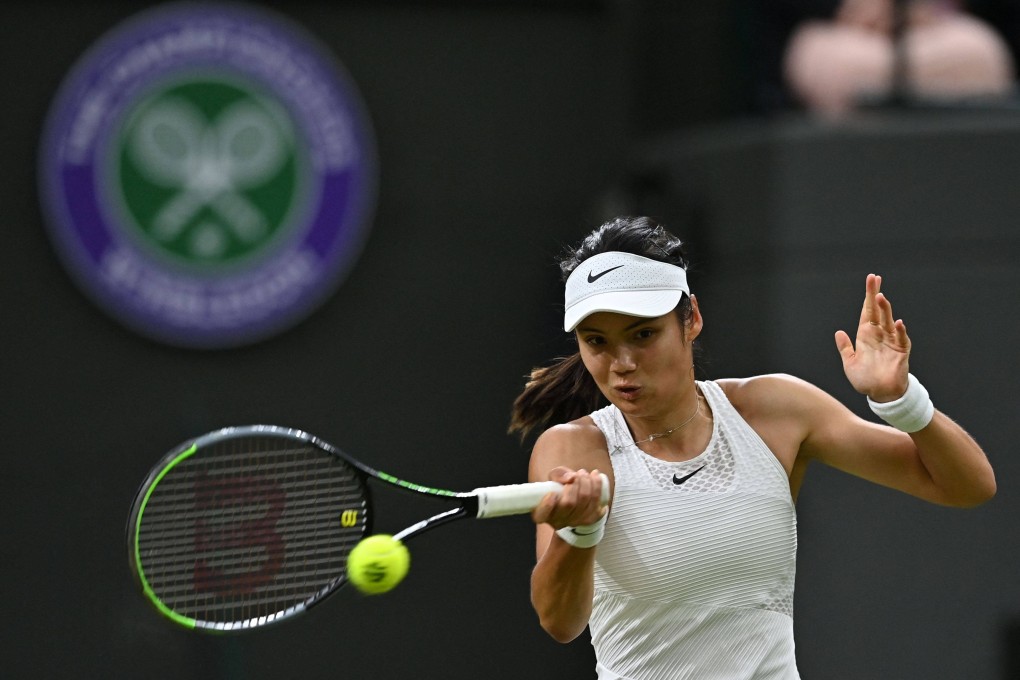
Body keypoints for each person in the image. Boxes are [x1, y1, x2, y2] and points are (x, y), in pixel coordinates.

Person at [508, 216, 995, 679]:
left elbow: (966, 486)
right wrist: (578, 534)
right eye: (598, 341)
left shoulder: (774, 409)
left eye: (644, 334)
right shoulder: (573, 448)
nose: (623, 363)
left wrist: (900, 401)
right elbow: (561, 622)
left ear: (691, 318)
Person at [781, 0, 1016, 117]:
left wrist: (923, 10)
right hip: (841, 32)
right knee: (833, 62)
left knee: (978, 49)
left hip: (940, 30)